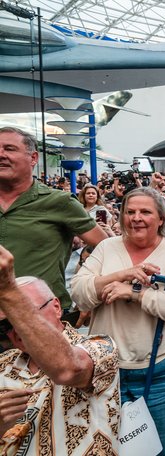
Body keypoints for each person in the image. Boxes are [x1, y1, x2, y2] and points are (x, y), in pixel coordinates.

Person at [70, 186, 165, 456]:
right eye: (130, 212)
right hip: (109, 370)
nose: (136, 218)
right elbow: (79, 294)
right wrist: (123, 275)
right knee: (109, 446)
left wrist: (134, 293)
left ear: (161, 218)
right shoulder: (107, 247)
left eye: (145, 212)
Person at [0, 250, 120, 455]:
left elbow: (68, 370)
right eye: (6, 324)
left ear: (56, 307)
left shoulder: (99, 347)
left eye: (27, 313)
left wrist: (8, 291)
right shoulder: (4, 363)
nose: (18, 329)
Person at [0, 126, 107, 319]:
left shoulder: (59, 202)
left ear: (33, 158)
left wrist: (90, 296)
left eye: (9, 149)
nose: (1, 155)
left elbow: (105, 247)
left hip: (42, 317)